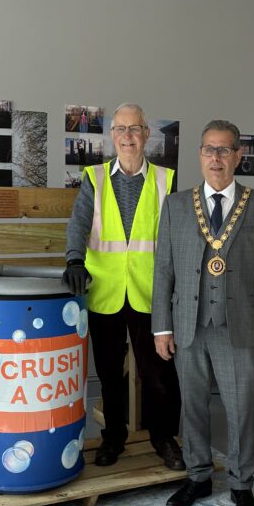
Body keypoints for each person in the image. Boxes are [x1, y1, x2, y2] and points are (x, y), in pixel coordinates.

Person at [152, 120, 254, 506]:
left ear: (239, 155)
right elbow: (163, 270)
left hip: (239, 326)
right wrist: (162, 326)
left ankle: (242, 485)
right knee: (192, 405)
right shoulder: (175, 205)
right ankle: (199, 476)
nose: (216, 158)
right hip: (188, 324)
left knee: (241, 408)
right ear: (200, 155)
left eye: (225, 150)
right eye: (209, 149)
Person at [63, 103, 184, 469]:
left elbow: (179, 235)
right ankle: (113, 437)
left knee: (159, 374)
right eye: (121, 129)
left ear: (147, 134)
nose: (128, 136)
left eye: (135, 129)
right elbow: (79, 223)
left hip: (153, 295)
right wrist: (73, 259)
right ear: (112, 136)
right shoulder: (95, 178)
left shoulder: (167, 180)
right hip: (106, 293)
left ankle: (165, 439)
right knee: (111, 375)